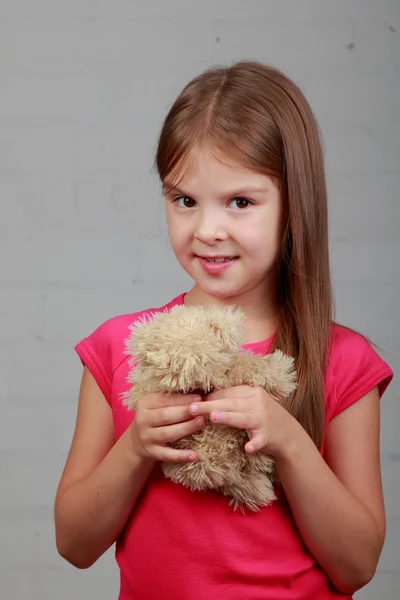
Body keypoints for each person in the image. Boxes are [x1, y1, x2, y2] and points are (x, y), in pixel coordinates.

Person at [54, 61, 393, 600]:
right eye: (184, 200)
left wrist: (288, 440)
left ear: (293, 206)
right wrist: (136, 447)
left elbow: (356, 566)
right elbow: (73, 544)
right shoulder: (120, 348)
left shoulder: (343, 361)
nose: (208, 230)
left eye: (241, 202)